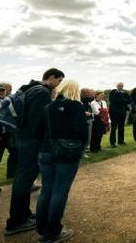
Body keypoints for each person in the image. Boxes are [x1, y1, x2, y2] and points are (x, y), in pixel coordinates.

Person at [5, 68, 65, 236]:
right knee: (24, 179)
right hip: (32, 142)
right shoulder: (41, 92)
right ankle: (16, 221)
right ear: (51, 78)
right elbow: (38, 121)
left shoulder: (31, 89)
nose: (58, 85)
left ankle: (23, 214)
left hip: (24, 139)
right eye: (59, 81)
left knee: (24, 178)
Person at [36, 79, 88, 243]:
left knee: (46, 190)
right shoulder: (76, 106)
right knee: (60, 191)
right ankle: (53, 232)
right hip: (66, 152)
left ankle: (42, 228)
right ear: (75, 90)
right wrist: (81, 148)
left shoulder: (47, 107)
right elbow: (82, 131)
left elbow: (39, 129)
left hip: (45, 151)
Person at [0, 82, 19, 179]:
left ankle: (12, 176)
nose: (2, 91)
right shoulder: (1, 100)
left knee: (15, 153)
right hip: (1, 133)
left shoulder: (12, 100)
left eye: (4, 88)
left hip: (10, 132)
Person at [108, 83, 129, 147]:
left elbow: (129, 101)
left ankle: (121, 141)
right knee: (114, 127)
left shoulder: (125, 93)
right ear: (117, 86)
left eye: (122, 86)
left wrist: (122, 100)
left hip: (122, 112)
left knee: (121, 127)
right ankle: (112, 143)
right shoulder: (113, 92)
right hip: (114, 112)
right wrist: (123, 100)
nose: (121, 87)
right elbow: (113, 100)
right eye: (119, 86)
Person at [80, 88, 95, 156]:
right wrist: (84, 113)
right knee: (84, 138)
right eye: (89, 92)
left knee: (88, 138)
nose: (90, 94)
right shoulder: (79, 100)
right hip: (83, 121)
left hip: (89, 120)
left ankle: (84, 152)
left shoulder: (89, 101)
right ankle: (81, 152)